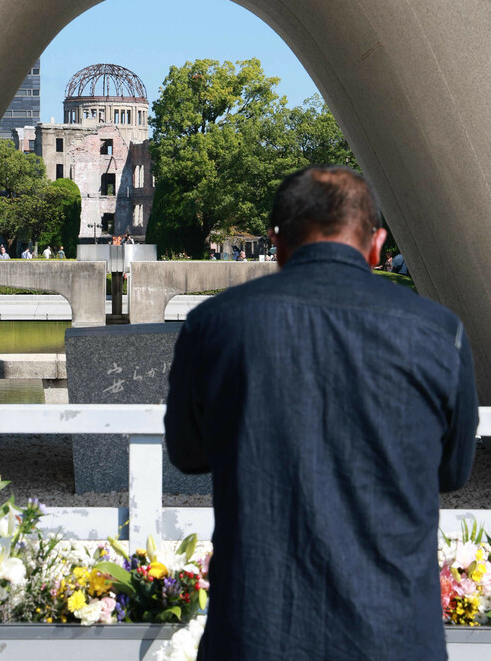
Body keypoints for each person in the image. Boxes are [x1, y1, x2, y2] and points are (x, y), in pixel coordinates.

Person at [164, 166, 478, 661]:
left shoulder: (213, 325)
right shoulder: (442, 332)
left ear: (277, 244)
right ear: (376, 245)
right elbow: (453, 470)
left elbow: (187, 452)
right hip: (394, 634)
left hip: (255, 628)